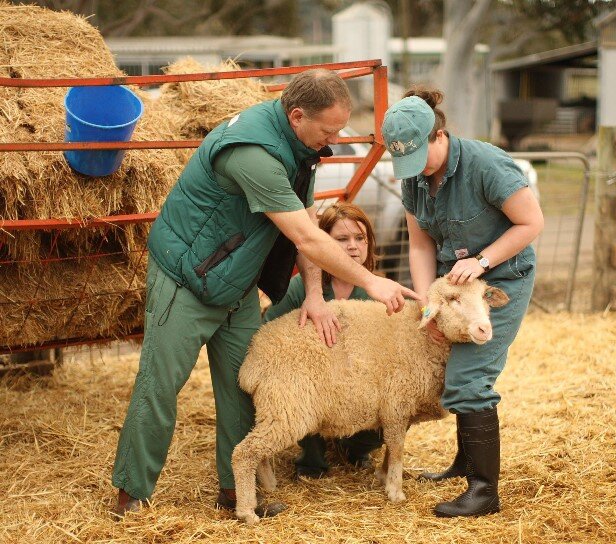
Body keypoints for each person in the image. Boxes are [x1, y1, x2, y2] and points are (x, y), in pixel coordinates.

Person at [112, 69, 418, 519]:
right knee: (162, 384)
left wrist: (314, 293)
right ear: (297, 116)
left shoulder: (301, 149)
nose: (335, 138)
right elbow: (307, 238)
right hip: (186, 279)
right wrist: (372, 281)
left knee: (242, 388)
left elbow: (308, 222)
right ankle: (132, 491)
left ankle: (238, 491)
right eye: (329, 130)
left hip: (234, 283)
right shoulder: (253, 153)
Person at [380, 88, 544, 518]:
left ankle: (484, 491)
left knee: (470, 375)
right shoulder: (414, 177)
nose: (413, 170)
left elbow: (532, 222)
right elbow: (418, 245)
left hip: (500, 280)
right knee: (452, 367)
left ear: (438, 134)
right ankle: (464, 463)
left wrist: (484, 260)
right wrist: (426, 304)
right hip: (451, 286)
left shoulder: (485, 164)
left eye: (419, 156)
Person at [262, 202, 383, 479]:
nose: (353, 246)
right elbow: (268, 330)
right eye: (342, 239)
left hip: (357, 384)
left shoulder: (376, 292)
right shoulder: (301, 288)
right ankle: (312, 456)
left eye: (360, 238)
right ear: (323, 242)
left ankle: (355, 449)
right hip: (313, 380)